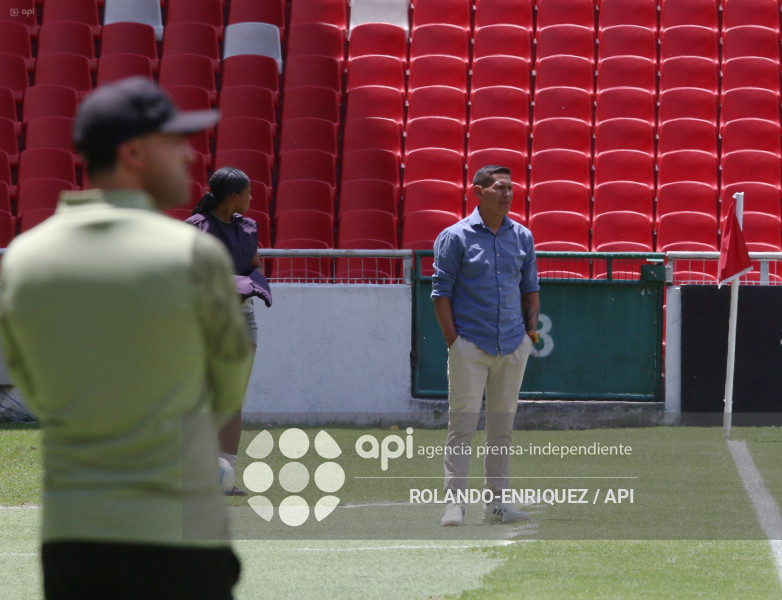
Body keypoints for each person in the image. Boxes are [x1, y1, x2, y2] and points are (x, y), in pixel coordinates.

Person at [0, 77, 253, 599]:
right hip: (177, 531)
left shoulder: (23, 259)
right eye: (173, 140)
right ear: (134, 152)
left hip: (71, 537)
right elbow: (227, 394)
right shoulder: (194, 255)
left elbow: (34, 388)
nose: (188, 154)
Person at [431, 165, 540, 527]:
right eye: (499, 187)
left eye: (511, 188)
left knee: (501, 428)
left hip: (512, 345)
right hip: (470, 346)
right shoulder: (455, 236)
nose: (507, 194)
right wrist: (454, 342)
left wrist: (529, 332)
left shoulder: (523, 236)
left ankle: (497, 505)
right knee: (462, 425)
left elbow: (530, 289)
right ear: (478, 191)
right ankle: (454, 505)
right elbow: (440, 293)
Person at [185, 167, 272, 496]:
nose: (252, 198)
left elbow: (255, 265)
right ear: (233, 196)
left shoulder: (249, 227)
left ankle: (225, 473)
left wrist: (253, 283)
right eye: (248, 192)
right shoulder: (196, 228)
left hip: (243, 319)